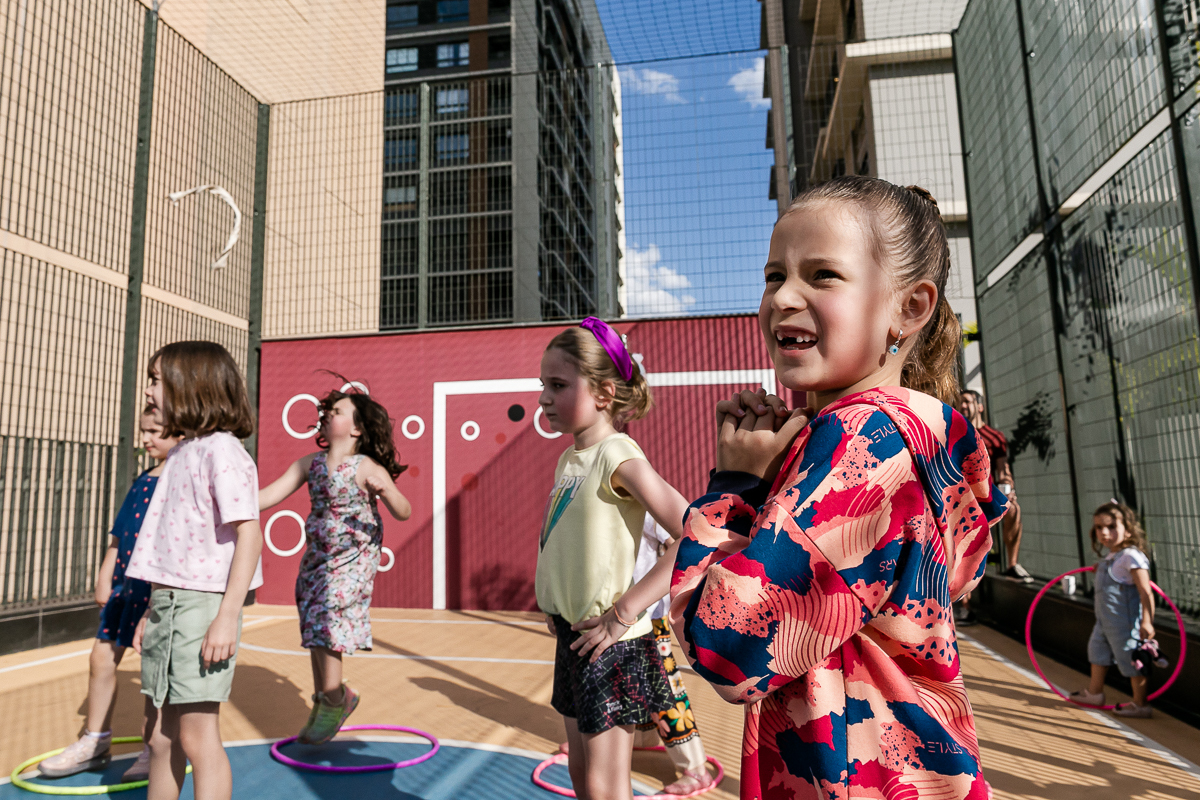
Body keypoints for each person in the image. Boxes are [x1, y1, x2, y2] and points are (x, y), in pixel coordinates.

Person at [670, 176, 1007, 799]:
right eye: (775, 276)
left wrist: (735, 487)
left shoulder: (862, 441)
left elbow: (728, 647)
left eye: (823, 275)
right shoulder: (920, 435)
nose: (784, 297)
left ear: (909, 307)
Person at [535, 317, 693, 800]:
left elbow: (694, 534)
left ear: (604, 394)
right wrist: (556, 601)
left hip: (613, 647)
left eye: (558, 385)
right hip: (575, 636)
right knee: (583, 777)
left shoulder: (618, 455)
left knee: (605, 786)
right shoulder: (570, 459)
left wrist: (624, 612)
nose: (543, 398)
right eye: (542, 384)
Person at [127, 341, 264, 800]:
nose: (148, 389)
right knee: (161, 738)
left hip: (201, 606)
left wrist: (227, 615)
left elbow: (249, 533)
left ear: (191, 386)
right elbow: (167, 543)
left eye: (156, 379)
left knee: (197, 736)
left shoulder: (222, 452)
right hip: (168, 604)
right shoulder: (183, 452)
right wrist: (151, 609)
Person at [258, 387, 412, 743]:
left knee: (327, 616)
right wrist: (231, 505)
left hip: (353, 557)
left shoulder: (366, 467)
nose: (328, 414)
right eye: (327, 410)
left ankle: (333, 699)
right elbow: (269, 495)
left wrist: (386, 491)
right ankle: (331, 697)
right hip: (319, 558)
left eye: (338, 410)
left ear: (357, 428)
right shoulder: (309, 464)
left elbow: (404, 510)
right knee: (312, 621)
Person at [39, 408, 180, 782]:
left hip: (159, 591)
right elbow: (119, 536)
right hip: (126, 589)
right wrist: (105, 576)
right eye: (143, 431)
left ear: (180, 433)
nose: (147, 438)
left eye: (156, 432)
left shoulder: (180, 480)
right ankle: (95, 741)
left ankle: (156, 749)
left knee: (155, 674)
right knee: (101, 658)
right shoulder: (143, 480)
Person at [630, 514, 713, 795]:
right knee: (629, 679)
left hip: (645, 613)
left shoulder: (642, 500)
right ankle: (641, 737)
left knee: (661, 685)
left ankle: (695, 768)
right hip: (623, 615)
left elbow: (682, 540)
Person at [1069, 501, 1155, 718]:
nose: (1104, 533)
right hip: (1104, 622)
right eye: (1099, 527)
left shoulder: (1131, 556)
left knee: (1131, 659)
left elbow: (1146, 591)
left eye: (1111, 527)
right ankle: (1095, 693)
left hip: (1123, 623)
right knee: (1096, 653)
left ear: (1127, 528)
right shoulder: (1112, 556)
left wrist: (1147, 621)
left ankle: (1140, 704)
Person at [958, 388, 1030, 583]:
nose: (963, 406)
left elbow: (1004, 471)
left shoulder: (994, 438)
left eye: (967, 401)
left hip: (989, 495)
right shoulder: (955, 435)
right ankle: (965, 605)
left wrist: (1009, 489)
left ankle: (1012, 565)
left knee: (1013, 509)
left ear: (980, 406)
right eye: (960, 402)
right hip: (962, 498)